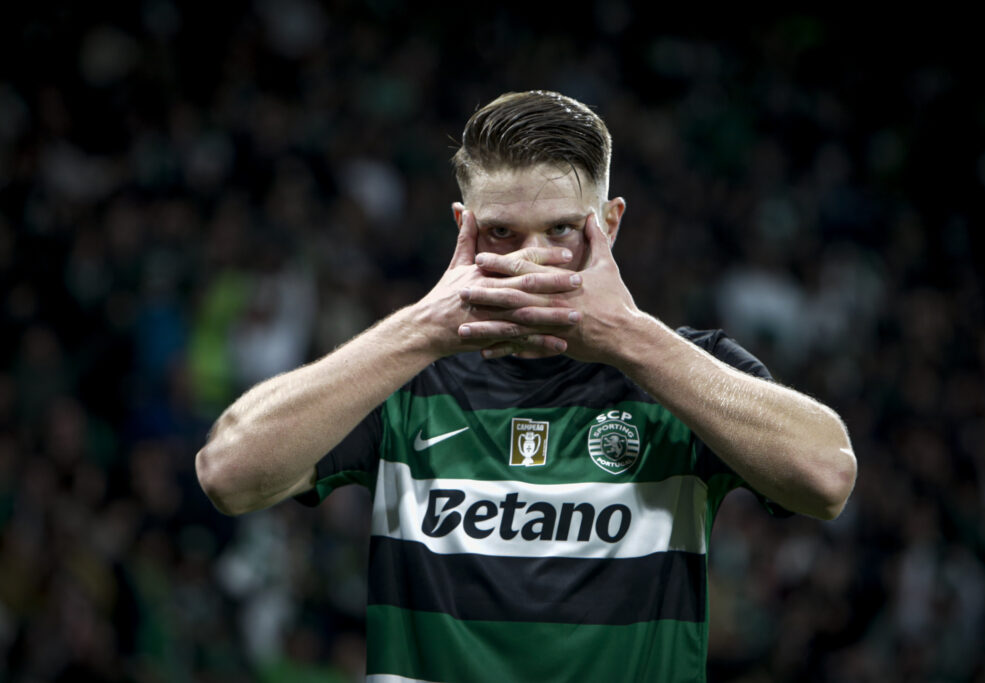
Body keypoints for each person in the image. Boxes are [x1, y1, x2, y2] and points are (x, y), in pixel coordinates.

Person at [196, 90, 857, 682]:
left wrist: (630, 336)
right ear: (464, 228)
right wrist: (423, 329)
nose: (530, 258)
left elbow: (827, 477)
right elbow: (228, 471)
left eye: (563, 230)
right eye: (501, 232)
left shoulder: (680, 375)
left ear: (611, 224)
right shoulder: (403, 378)